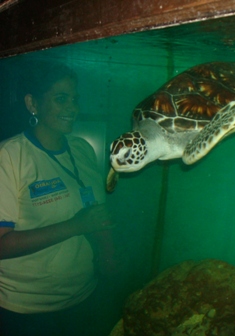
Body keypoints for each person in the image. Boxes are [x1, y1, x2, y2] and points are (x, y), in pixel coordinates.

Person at [0, 63, 118, 336]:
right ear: (33, 104)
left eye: (75, 99)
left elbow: (96, 214)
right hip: (25, 312)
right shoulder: (9, 157)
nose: (72, 108)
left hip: (84, 297)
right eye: (61, 98)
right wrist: (76, 226)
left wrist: (108, 255)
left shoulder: (82, 149)